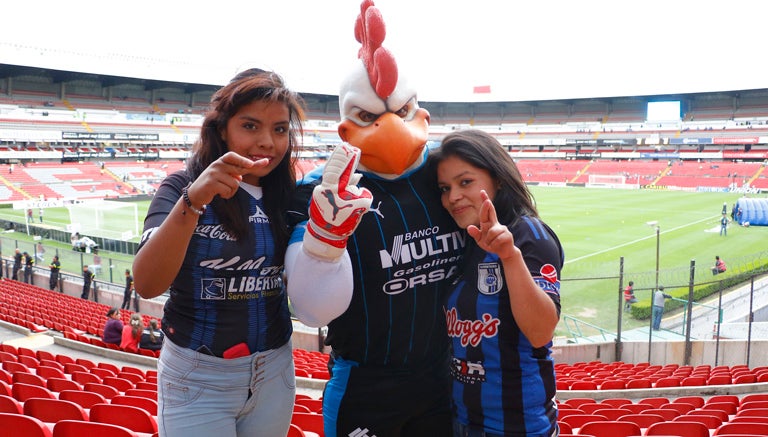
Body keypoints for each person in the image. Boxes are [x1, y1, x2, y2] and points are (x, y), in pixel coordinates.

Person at [285, 3, 464, 435]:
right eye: (368, 117)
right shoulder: (319, 190)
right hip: (367, 382)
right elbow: (311, 310)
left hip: (443, 375)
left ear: (420, 111)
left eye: (402, 112)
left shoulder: (448, 175)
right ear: (347, 125)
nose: (391, 127)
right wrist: (322, 243)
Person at [132, 68, 304, 437]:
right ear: (222, 127)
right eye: (250, 126)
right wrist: (193, 201)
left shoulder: (290, 196)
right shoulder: (181, 185)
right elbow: (146, 283)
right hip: (197, 376)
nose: (268, 143)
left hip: (274, 369)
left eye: (280, 129)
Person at [430, 129, 563, 437]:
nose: (452, 197)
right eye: (444, 187)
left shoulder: (529, 234)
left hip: (517, 427)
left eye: (465, 182)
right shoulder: (464, 239)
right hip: (460, 421)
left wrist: (509, 256)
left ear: (498, 178)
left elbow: (541, 331)